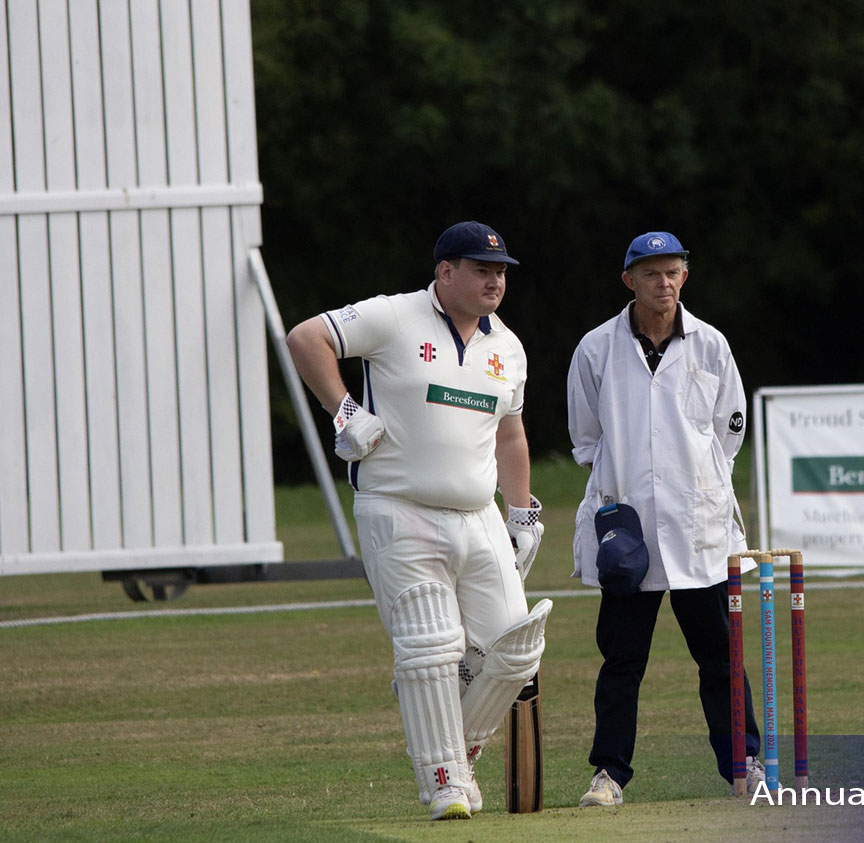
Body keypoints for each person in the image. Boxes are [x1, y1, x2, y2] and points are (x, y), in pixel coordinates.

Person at [286, 221, 551, 820]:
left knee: (515, 650)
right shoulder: (395, 316)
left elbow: (509, 431)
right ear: (445, 272)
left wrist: (523, 509)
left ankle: (450, 745)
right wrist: (344, 410)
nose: (495, 281)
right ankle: (445, 784)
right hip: (397, 507)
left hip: (479, 514)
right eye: (481, 270)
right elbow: (306, 338)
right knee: (433, 649)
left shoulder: (507, 346)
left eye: (501, 272)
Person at [566, 231, 764, 806]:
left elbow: (730, 430)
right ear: (629, 280)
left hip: (700, 528)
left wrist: (691, 481)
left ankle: (742, 764)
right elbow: (586, 439)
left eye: (673, 271)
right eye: (651, 273)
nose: (663, 283)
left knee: (722, 658)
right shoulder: (595, 348)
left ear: (685, 276)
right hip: (626, 530)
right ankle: (608, 774)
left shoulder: (710, 345)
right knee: (622, 659)